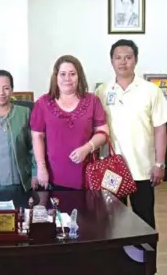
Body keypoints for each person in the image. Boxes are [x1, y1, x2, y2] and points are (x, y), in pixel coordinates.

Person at [95, 39, 167, 230]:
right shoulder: (102, 91)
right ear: (111, 61)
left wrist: (159, 164)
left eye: (128, 57)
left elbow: (160, 129)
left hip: (143, 170)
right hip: (112, 169)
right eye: (118, 58)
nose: (123, 62)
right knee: (112, 220)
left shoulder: (150, 91)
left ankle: (144, 259)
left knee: (144, 221)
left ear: (136, 60)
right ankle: (118, 260)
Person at [30, 55, 109, 191]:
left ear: (79, 76)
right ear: (56, 77)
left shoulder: (92, 101)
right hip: (54, 176)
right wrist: (41, 167)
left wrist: (87, 148)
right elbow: (37, 137)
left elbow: (103, 132)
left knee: (87, 212)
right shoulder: (43, 103)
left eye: (72, 74)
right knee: (58, 212)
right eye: (63, 74)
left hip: (87, 175)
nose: (67, 78)